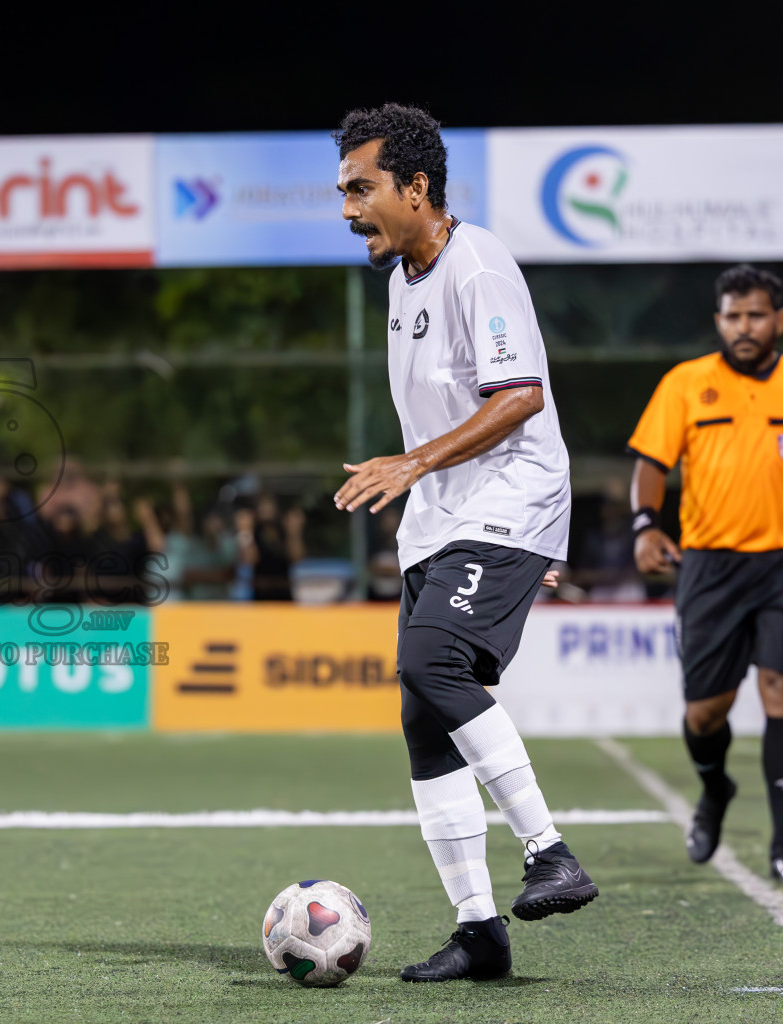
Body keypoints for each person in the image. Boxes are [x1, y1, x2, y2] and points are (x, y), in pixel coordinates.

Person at [332, 103, 595, 982]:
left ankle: (550, 851)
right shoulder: (405, 275)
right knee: (425, 715)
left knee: (434, 662)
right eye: (342, 191)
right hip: (441, 514)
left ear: (417, 188)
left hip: (508, 496)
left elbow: (519, 394)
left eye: (361, 188)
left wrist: (414, 462)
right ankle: (480, 929)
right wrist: (421, 479)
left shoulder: (476, 265)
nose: (347, 209)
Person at [626, 264, 783, 878]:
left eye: (756, 315)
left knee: (778, 691)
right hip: (710, 567)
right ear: (719, 320)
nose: (744, 327)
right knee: (705, 714)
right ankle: (715, 788)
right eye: (733, 316)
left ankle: (780, 843)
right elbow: (649, 462)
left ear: (777, 320)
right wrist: (645, 526)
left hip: (779, 566)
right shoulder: (686, 383)